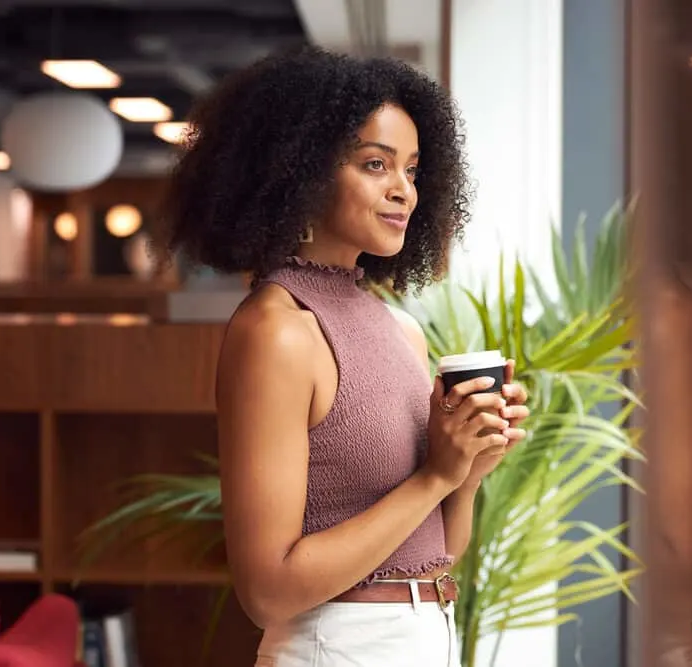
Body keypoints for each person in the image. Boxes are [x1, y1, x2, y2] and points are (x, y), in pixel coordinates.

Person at [156, 46, 530, 666]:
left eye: (412, 170)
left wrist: (467, 472)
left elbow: (435, 554)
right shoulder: (277, 330)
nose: (402, 191)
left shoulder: (401, 328)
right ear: (297, 172)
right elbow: (268, 591)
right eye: (374, 164)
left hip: (424, 637)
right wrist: (435, 476)